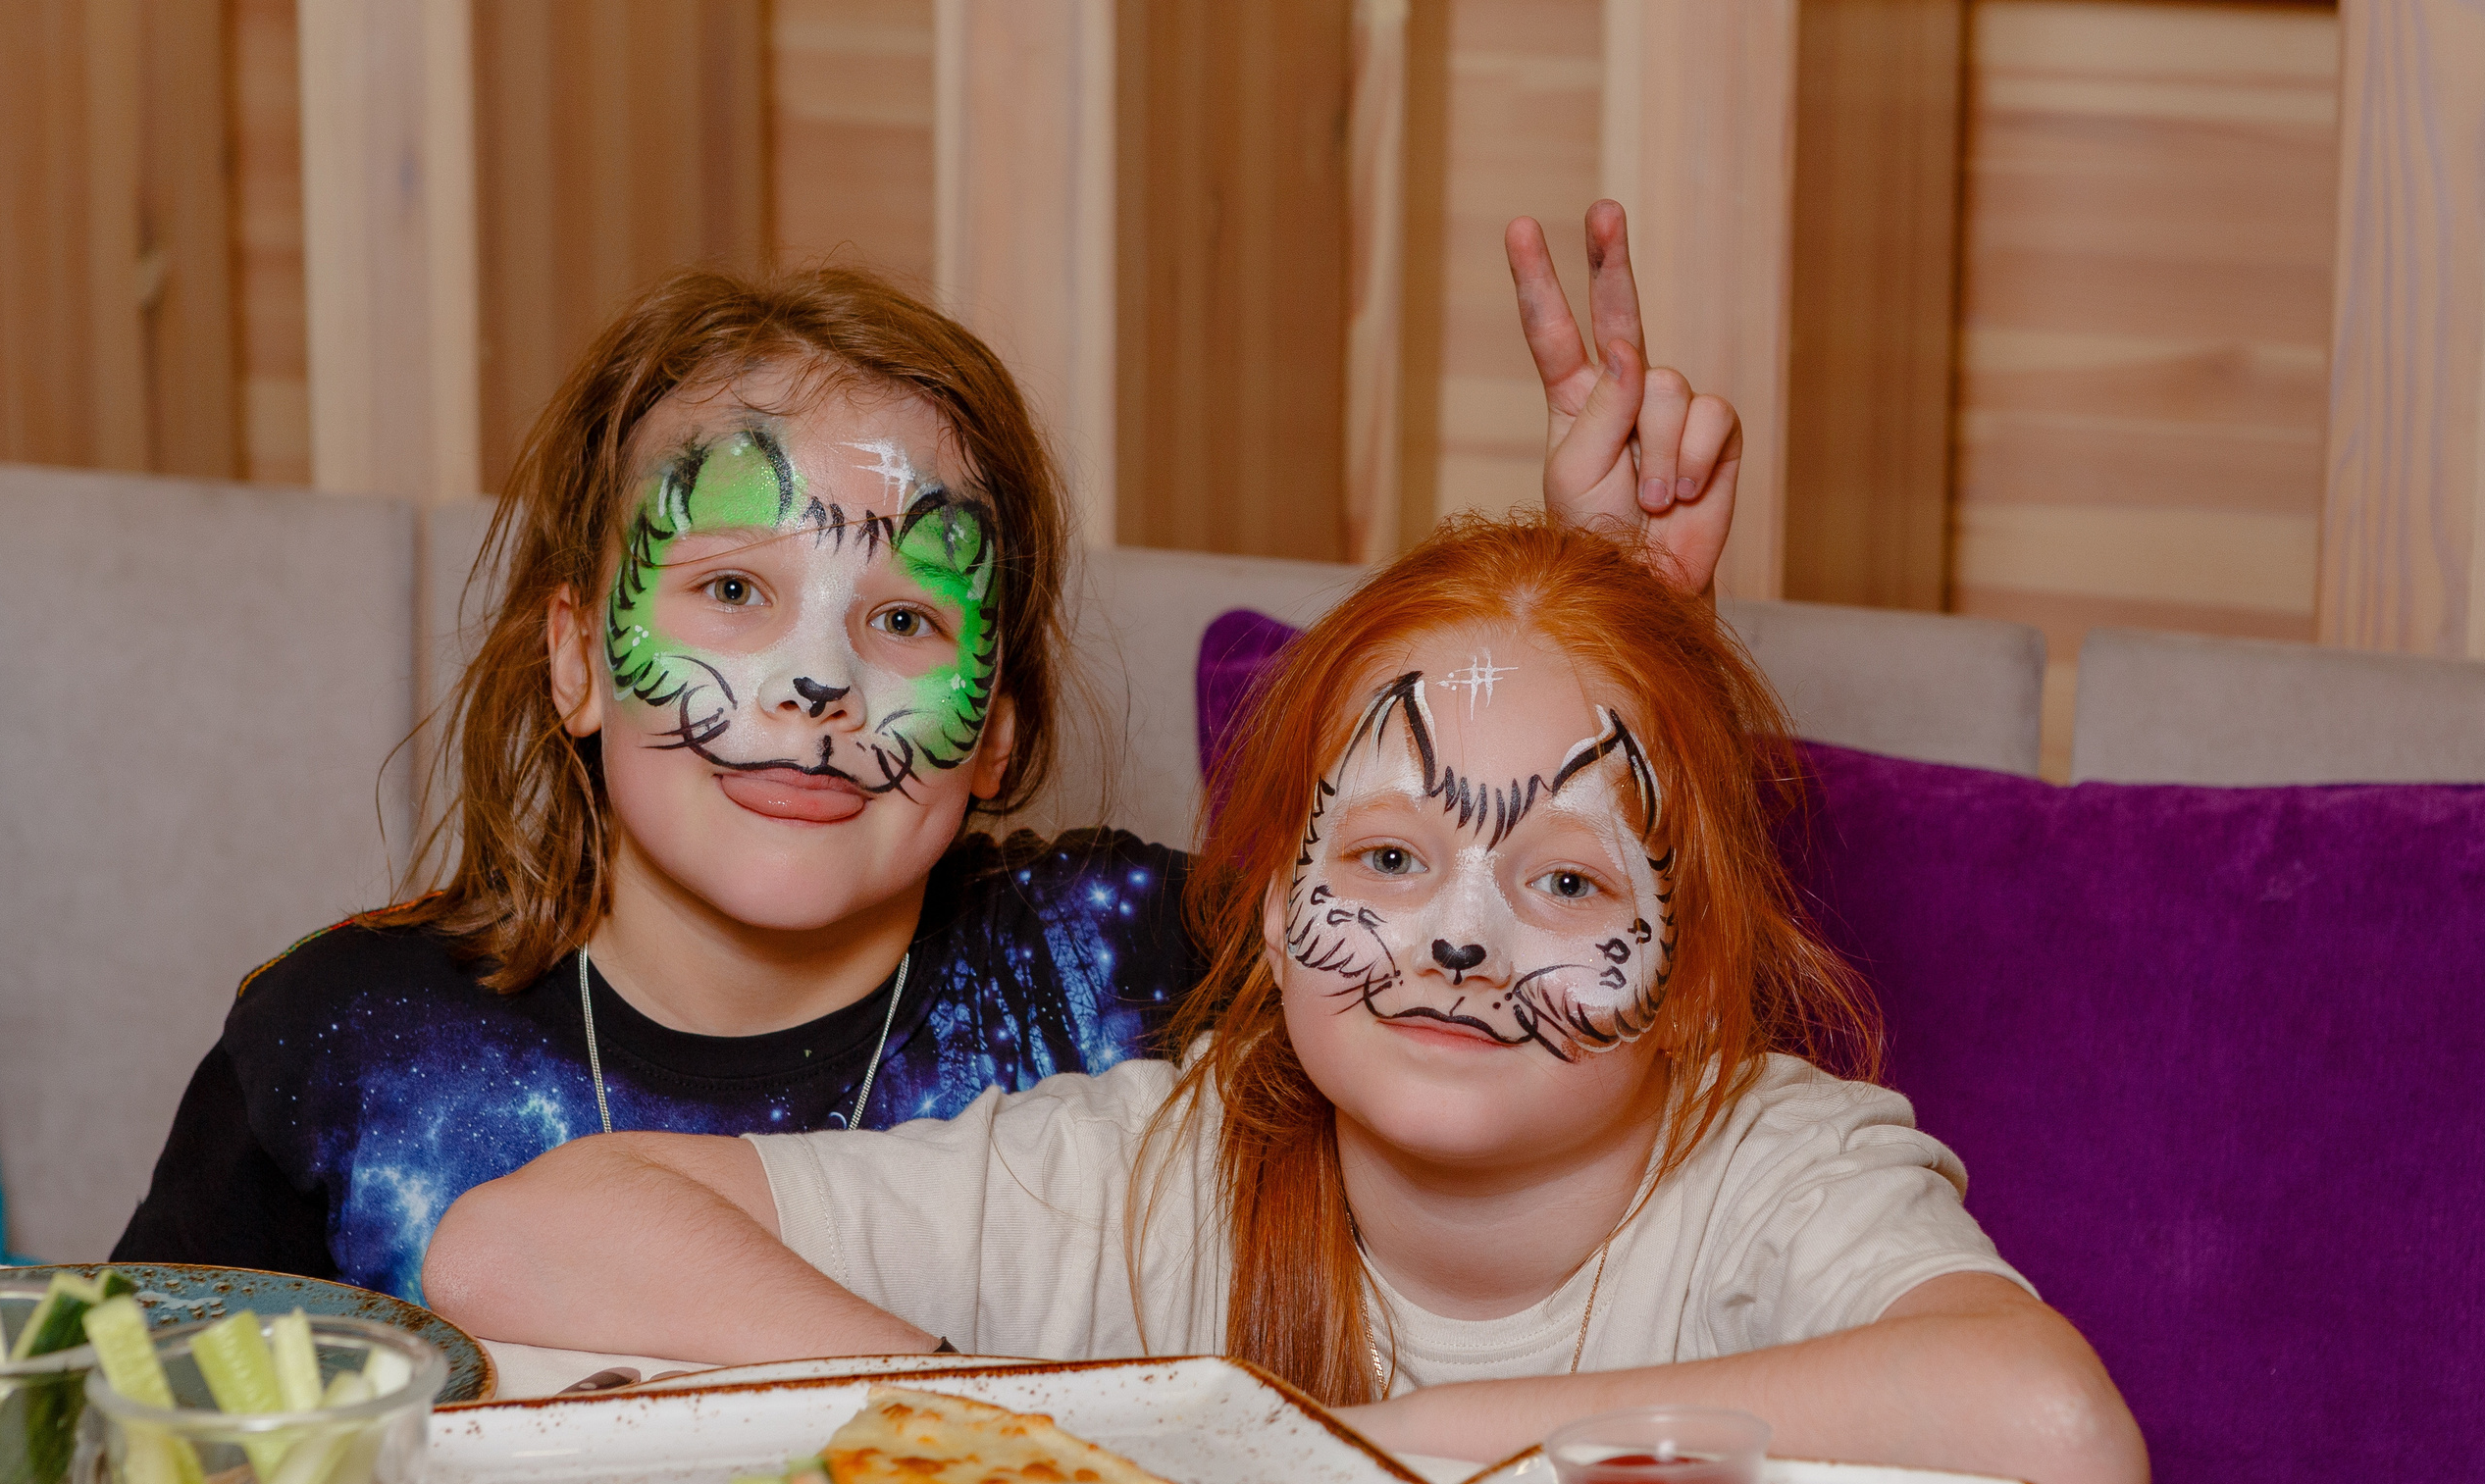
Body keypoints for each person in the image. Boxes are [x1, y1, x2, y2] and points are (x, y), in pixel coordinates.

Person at [112, 204, 1743, 1305]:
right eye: (736, 590)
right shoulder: (347, 1042)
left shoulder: (1138, 966)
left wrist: (1604, 648)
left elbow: (1552, 1039)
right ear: (571, 663)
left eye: (904, 620)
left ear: (1005, 723)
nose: (818, 681)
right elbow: (116, 1483)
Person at [421, 515, 2149, 1484]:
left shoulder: (1771, 1162)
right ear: (1268, 900)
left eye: (1562, 880)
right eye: (1389, 859)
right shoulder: (1165, 1163)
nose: (1458, 934)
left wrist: (1310, 1458)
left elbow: (2058, 1444)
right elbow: (520, 1239)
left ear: (1697, 962)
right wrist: (1007, 1421)